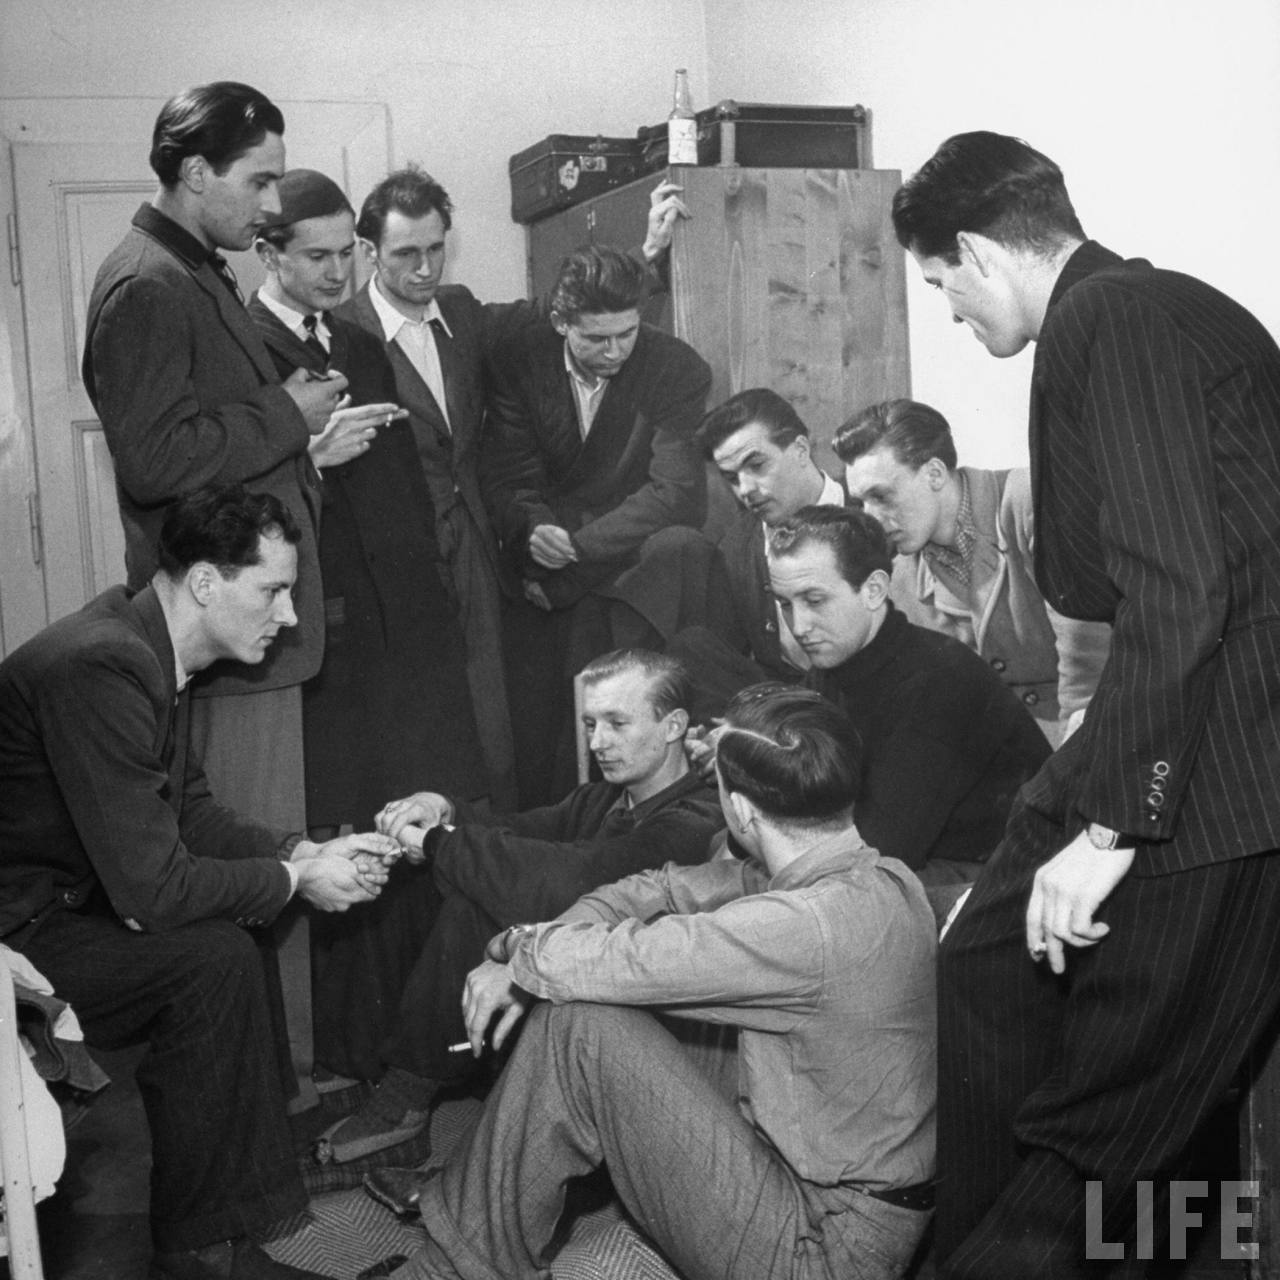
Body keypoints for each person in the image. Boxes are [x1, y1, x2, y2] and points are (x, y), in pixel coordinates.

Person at [892, 129, 1280, 1277]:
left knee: (1107, 1120)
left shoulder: (1109, 316)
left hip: (1231, 770)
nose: (954, 316)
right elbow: (1110, 573)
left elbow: (1176, 583)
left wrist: (1108, 827)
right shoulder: (1163, 312)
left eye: (941, 289)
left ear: (973, 250)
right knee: (990, 976)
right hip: (1201, 728)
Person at [365, 683, 938, 1280]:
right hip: (824, 1189)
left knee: (580, 1028)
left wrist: (513, 948)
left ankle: (446, 1273)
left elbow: (627, 959)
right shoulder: (864, 876)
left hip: (824, 1246)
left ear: (739, 811)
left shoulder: (806, 924)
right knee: (592, 1005)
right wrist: (549, 946)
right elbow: (659, 887)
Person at [0, 485, 399, 1280]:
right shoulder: (103, 664)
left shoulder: (140, 646)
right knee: (210, 958)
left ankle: (219, 1231)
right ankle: (204, 1252)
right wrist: (291, 880)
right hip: (17, 933)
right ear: (208, 584)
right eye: (274, 590)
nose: (288, 616)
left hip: (57, 906)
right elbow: (156, 892)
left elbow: (190, 814)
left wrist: (300, 853)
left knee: (220, 949)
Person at [248, 167, 491, 1088]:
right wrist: (308, 455)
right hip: (326, 635)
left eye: (345, 251)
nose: (337, 271)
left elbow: (400, 496)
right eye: (314, 256)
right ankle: (346, 1055)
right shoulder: (248, 345)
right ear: (268, 253)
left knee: (417, 814)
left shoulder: (356, 338)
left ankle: (421, 1038)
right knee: (343, 832)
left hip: (408, 630)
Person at [309, 649, 723, 1172]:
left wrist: (438, 841)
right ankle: (367, 1061)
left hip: (627, 1019)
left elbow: (558, 880)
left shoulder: (694, 818)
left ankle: (405, 1095)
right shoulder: (605, 798)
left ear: (674, 727)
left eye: (617, 724)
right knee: (417, 878)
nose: (597, 743)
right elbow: (518, 828)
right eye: (591, 724)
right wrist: (443, 808)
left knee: (477, 904)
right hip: (552, 980)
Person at [82, 81, 345, 838]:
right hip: (221, 637)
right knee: (254, 854)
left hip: (245, 631)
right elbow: (155, 461)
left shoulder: (194, 267)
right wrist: (286, 414)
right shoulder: (147, 285)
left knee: (272, 848)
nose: (271, 204)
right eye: (259, 179)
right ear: (197, 174)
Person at [482, 244, 716, 804]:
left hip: (625, 558)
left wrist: (575, 552)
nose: (615, 351)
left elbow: (676, 493)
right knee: (538, 729)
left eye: (627, 334)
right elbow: (509, 473)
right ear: (561, 322)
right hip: (536, 562)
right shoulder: (518, 359)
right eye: (596, 338)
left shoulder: (676, 368)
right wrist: (533, 529)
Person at [767, 506, 1049, 885]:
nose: (799, 626)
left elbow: (879, 855)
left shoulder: (940, 682)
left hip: (1000, 878)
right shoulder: (836, 660)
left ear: (874, 590)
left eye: (815, 600)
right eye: (785, 604)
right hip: (912, 860)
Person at [835, 397, 1109, 743]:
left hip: (1089, 727)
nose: (871, 517)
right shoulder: (899, 579)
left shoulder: (1031, 501)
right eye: (862, 501)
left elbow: (1087, 648)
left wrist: (1077, 751)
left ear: (934, 473)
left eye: (882, 496)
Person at [670, 387, 849, 720]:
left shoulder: (870, 512)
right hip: (788, 702)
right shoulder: (738, 544)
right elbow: (724, 651)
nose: (746, 490)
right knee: (692, 647)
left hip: (862, 688)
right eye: (732, 478)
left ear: (800, 449)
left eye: (756, 465)